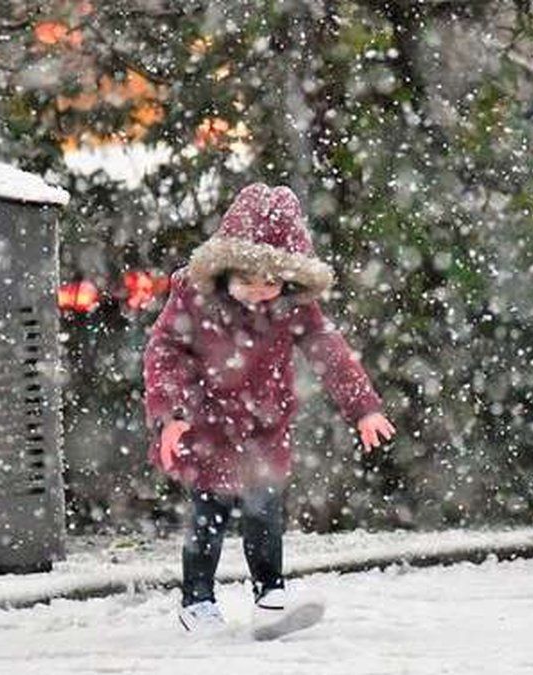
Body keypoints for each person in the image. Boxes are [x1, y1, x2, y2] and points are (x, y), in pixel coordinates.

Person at [143, 183, 396, 638]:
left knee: (264, 510)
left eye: (273, 282)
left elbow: (329, 351)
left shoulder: (291, 305)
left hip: (265, 425)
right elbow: (164, 352)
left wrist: (363, 408)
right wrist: (172, 414)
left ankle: (270, 595)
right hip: (208, 424)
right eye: (251, 281)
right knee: (210, 513)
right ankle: (197, 601)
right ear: (225, 268)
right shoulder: (194, 298)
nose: (262, 292)